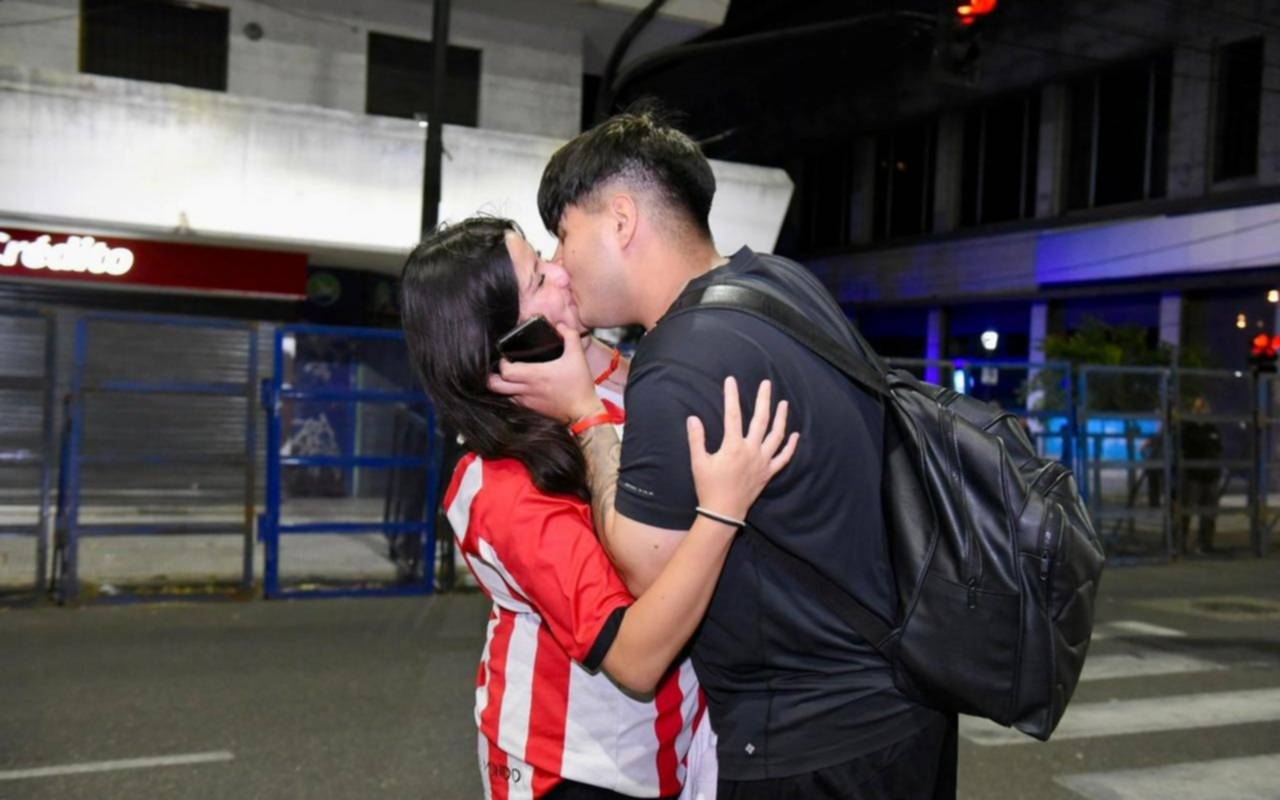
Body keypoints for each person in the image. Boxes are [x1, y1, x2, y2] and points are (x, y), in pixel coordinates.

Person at [490, 112, 957, 798]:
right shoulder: (781, 284)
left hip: (808, 744)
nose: (559, 262)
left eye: (564, 234)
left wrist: (586, 414)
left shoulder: (679, 360)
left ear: (620, 220)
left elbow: (644, 570)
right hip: (908, 705)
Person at [399, 217, 797, 800]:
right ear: (504, 341)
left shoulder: (601, 373)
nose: (562, 271)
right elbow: (635, 659)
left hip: (669, 750)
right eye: (538, 278)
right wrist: (722, 511)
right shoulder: (504, 486)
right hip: (573, 768)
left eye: (545, 255)